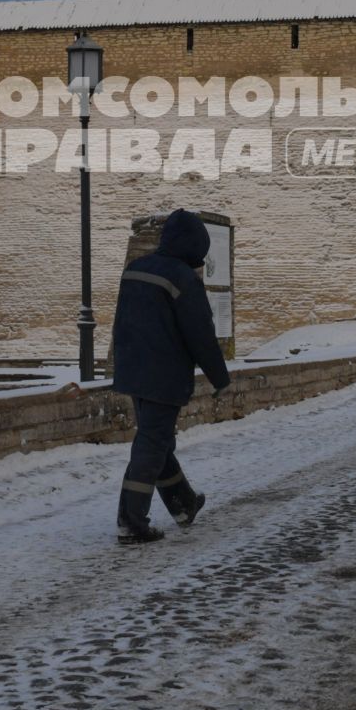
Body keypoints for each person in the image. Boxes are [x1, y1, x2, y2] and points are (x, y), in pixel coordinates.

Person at [109, 208, 231, 545]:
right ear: (193, 245)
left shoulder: (135, 269)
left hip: (134, 370)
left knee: (156, 439)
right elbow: (200, 336)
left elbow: (122, 321)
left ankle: (184, 504)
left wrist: (123, 365)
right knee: (150, 446)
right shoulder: (182, 279)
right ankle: (131, 522)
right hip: (164, 375)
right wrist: (219, 378)